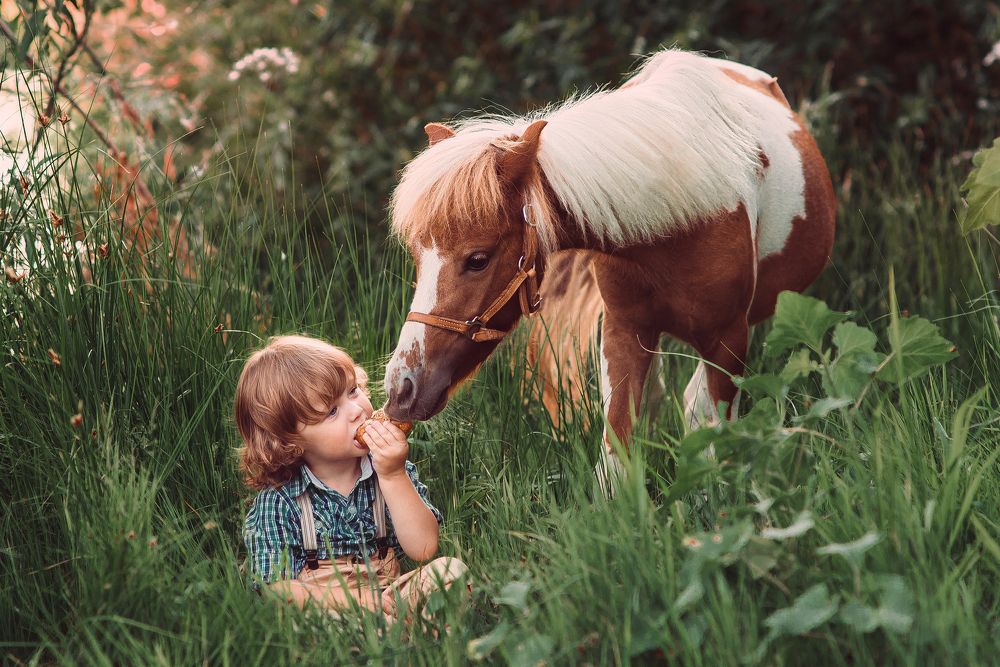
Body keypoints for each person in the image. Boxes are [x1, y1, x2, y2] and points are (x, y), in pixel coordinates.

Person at [235, 334, 466, 622]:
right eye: (332, 412)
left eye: (353, 391)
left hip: (390, 598)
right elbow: (275, 589)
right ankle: (399, 638)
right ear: (290, 442)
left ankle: (412, 640)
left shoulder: (390, 470)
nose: (357, 411)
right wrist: (357, 602)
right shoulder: (280, 503)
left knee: (450, 572)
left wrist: (393, 476)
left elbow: (423, 549)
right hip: (329, 613)